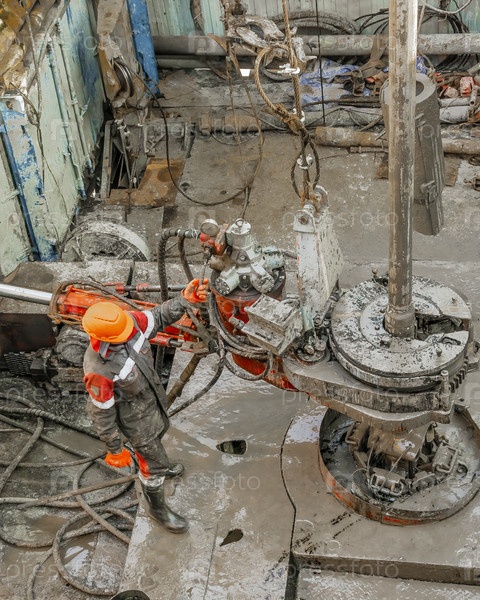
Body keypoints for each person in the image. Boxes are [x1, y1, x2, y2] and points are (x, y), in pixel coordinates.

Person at [81, 279, 209, 533]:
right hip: (135, 422)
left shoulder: (128, 324)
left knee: (160, 434)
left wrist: (184, 300)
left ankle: (161, 463)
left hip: (153, 402)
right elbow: (101, 412)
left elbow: (158, 317)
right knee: (152, 464)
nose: (131, 332)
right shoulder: (99, 370)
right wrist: (115, 449)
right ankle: (157, 509)